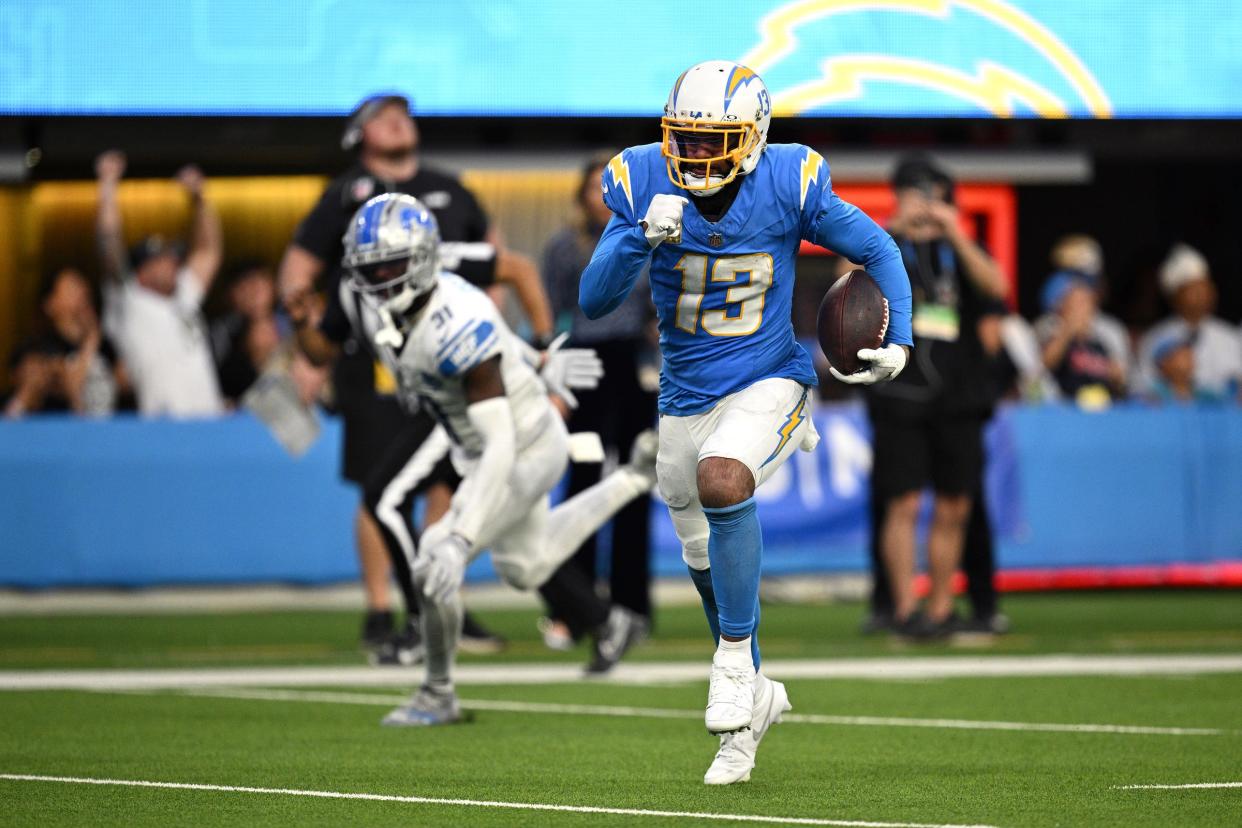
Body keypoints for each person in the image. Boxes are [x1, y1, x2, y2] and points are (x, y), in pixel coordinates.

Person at [579, 60, 913, 785]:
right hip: (683, 398)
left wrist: (903, 336)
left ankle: (732, 661)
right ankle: (750, 708)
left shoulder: (787, 182)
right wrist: (639, 236)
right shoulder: (643, 180)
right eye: (685, 140)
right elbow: (594, 298)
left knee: (724, 479)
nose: (695, 155)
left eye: (714, 140)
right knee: (704, 564)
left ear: (753, 136)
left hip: (770, 380)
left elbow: (878, 248)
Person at [321, 193, 656, 724]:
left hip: (520, 444)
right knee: (525, 566)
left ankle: (437, 692)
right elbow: (497, 344)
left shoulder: (454, 322)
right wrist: (538, 360)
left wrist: (458, 538)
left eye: (391, 265)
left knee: (434, 553)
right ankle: (633, 479)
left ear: (422, 260)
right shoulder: (418, 295)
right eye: (371, 268)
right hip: (487, 441)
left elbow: (499, 441)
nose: (381, 278)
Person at [279, 93, 553, 661]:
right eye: (381, 115)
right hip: (375, 365)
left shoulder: (450, 188)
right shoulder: (343, 194)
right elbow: (300, 274)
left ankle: (433, 600)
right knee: (379, 488)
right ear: (360, 135)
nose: (397, 120)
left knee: (441, 486)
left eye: (402, 112)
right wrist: (304, 338)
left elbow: (499, 259)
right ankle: (383, 607)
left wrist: (498, 334)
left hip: (449, 360)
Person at [863, 154, 1006, 642]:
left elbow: (997, 288)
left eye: (934, 195)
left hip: (958, 393)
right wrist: (892, 229)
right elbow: (846, 280)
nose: (926, 204)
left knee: (954, 505)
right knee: (901, 503)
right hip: (897, 390)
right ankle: (906, 610)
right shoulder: (883, 245)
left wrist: (957, 234)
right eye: (916, 194)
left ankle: (941, 608)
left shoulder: (962, 250)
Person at [538, 152, 659, 645]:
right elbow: (552, 314)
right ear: (580, 196)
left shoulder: (643, 240)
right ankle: (576, 609)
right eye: (595, 188)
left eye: (611, 189)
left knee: (634, 484)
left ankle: (632, 608)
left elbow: (655, 311)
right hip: (584, 368)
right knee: (582, 484)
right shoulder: (564, 247)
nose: (604, 198)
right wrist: (554, 379)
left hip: (630, 367)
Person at [95, 150, 224, 417]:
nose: (172, 263)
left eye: (172, 257)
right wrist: (107, 185)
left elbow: (209, 252)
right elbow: (108, 241)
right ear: (140, 271)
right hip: (163, 428)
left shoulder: (184, 295)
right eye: (160, 259)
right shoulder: (129, 299)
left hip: (210, 422)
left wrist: (199, 198)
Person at [4, 266, 127, 418]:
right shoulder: (36, 348)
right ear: (50, 304)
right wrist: (91, 341)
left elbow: (126, 384)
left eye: (82, 286)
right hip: (55, 434)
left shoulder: (106, 346)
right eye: (71, 288)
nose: (81, 293)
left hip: (106, 432)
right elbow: (73, 390)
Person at [1137, 244, 1242, 400]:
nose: (1203, 294)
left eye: (1205, 287)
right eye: (1193, 289)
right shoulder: (1155, 338)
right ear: (1175, 296)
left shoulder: (1229, 337)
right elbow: (1144, 390)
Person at [1034, 271, 1129, 403]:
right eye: (1077, 303)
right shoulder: (1050, 333)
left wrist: (1117, 378)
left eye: (1087, 303)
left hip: (1100, 410)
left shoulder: (1100, 343)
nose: (1084, 310)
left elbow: (1120, 383)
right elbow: (1043, 365)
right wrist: (1068, 330)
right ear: (1062, 308)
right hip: (1064, 409)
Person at [210, 261, 287, 405]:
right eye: (243, 286)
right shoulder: (221, 335)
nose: (253, 292)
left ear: (274, 285)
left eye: (259, 280)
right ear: (228, 296)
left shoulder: (295, 326)